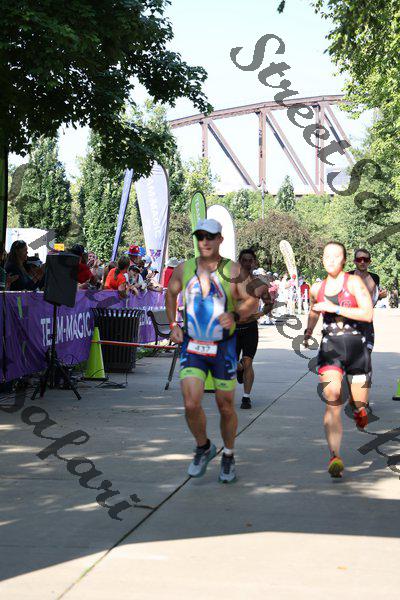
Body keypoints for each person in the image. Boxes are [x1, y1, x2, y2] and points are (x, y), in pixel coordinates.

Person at [166, 218, 257, 483]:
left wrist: (235, 314)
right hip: (193, 345)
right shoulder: (184, 269)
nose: (204, 241)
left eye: (210, 236)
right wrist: (173, 324)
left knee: (225, 406)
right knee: (190, 403)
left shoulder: (233, 270)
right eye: (200, 236)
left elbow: (252, 299)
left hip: (223, 348)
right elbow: (171, 294)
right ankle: (203, 446)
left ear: (220, 240)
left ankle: (228, 454)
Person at [304, 241, 373, 478]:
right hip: (330, 346)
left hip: (356, 345)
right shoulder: (317, 288)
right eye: (327, 256)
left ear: (343, 260)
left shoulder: (353, 283)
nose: (331, 260)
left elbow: (367, 313)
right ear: (322, 259)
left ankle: (358, 409)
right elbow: (314, 310)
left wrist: (334, 308)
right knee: (332, 398)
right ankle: (335, 456)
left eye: (336, 256)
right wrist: (308, 330)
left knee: (359, 404)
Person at [235, 250, 272, 409]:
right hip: (233, 328)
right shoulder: (231, 283)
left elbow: (269, 304)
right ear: (239, 261)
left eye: (250, 260)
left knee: (248, 361)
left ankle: (246, 397)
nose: (247, 263)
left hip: (250, 327)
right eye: (244, 260)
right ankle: (239, 368)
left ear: (254, 262)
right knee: (232, 363)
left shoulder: (260, 285)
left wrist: (262, 313)